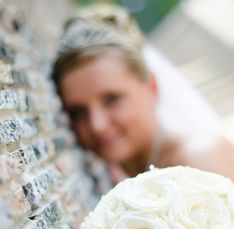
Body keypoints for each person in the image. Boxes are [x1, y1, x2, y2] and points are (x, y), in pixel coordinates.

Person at [52, 4, 234, 187]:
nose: (97, 125)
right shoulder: (128, 180)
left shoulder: (199, 159)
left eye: (111, 100)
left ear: (151, 86)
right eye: (78, 112)